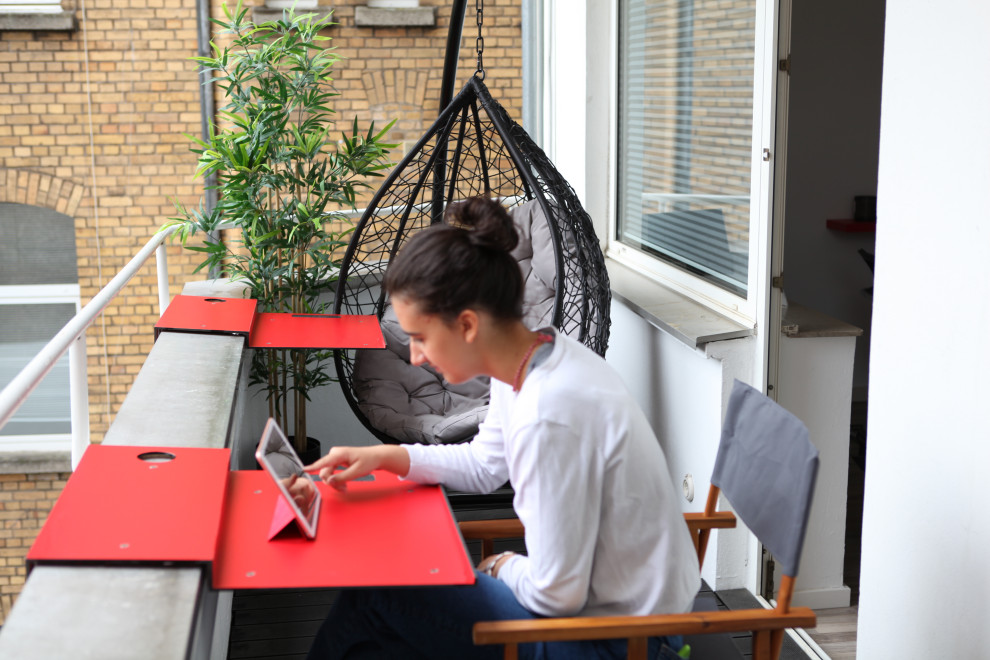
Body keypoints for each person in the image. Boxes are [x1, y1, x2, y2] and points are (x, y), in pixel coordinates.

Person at [305, 196, 700, 660]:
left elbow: (556, 594)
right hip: (608, 612)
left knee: (376, 596)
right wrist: (388, 458)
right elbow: (484, 464)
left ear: (467, 324)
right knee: (390, 609)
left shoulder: (547, 414)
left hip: (621, 640)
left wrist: (503, 563)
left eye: (420, 338)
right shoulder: (541, 358)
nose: (414, 357)